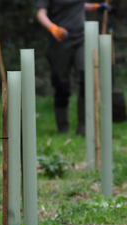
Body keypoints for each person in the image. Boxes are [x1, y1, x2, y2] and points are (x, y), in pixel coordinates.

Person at [36, 1, 113, 135]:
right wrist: (53, 28)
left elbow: (77, 5)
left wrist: (95, 7)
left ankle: (83, 127)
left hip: (82, 38)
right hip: (60, 40)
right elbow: (41, 13)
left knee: (87, 79)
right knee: (62, 86)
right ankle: (63, 129)